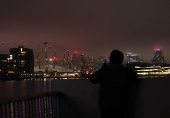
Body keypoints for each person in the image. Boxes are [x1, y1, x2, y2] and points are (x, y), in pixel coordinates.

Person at [90, 50, 138, 118]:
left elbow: (93, 79)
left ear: (111, 59)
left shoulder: (105, 71)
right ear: (121, 60)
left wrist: (103, 68)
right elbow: (134, 77)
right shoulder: (126, 71)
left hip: (106, 105)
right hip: (121, 104)